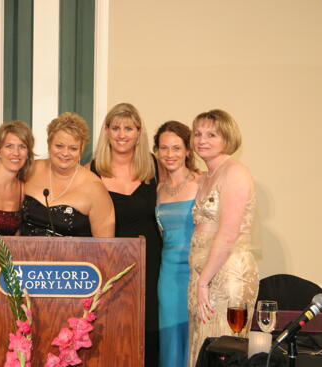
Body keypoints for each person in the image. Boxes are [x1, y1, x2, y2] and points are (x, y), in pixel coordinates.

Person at [87, 102, 161, 365]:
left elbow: (185, 182)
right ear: (106, 130)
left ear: (138, 132)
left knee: (149, 326)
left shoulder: (155, 167)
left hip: (151, 262)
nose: (121, 134)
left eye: (128, 128)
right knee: (113, 329)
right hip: (110, 262)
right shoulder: (91, 171)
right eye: (115, 127)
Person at [187, 109, 258, 367]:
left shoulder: (235, 172)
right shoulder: (206, 176)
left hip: (227, 276)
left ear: (227, 138)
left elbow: (228, 234)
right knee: (201, 344)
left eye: (211, 134)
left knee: (222, 349)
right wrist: (200, 280)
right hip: (203, 275)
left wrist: (204, 282)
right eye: (197, 134)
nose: (201, 140)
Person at [21, 112, 115, 237]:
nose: (65, 153)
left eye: (73, 148)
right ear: (49, 144)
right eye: (59, 146)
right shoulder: (29, 170)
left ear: (81, 150)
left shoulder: (95, 188)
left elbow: (106, 248)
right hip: (21, 255)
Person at [154, 121, 200, 367]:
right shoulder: (159, 189)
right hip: (168, 275)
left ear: (188, 151)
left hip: (197, 273)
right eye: (164, 148)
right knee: (171, 339)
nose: (170, 154)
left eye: (176, 148)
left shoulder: (201, 183)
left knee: (195, 339)